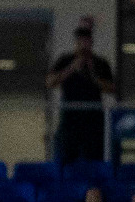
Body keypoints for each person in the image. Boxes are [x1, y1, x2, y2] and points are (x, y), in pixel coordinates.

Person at [47, 22, 115, 164]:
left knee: (94, 160)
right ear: (75, 43)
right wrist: (72, 68)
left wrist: (93, 75)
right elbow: (50, 82)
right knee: (66, 160)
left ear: (91, 43)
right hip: (70, 120)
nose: (83, 45)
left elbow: (112, 88)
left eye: (87, 42)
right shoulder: (65, 60)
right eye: (80, 42)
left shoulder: (100, 63)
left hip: (93, 122)